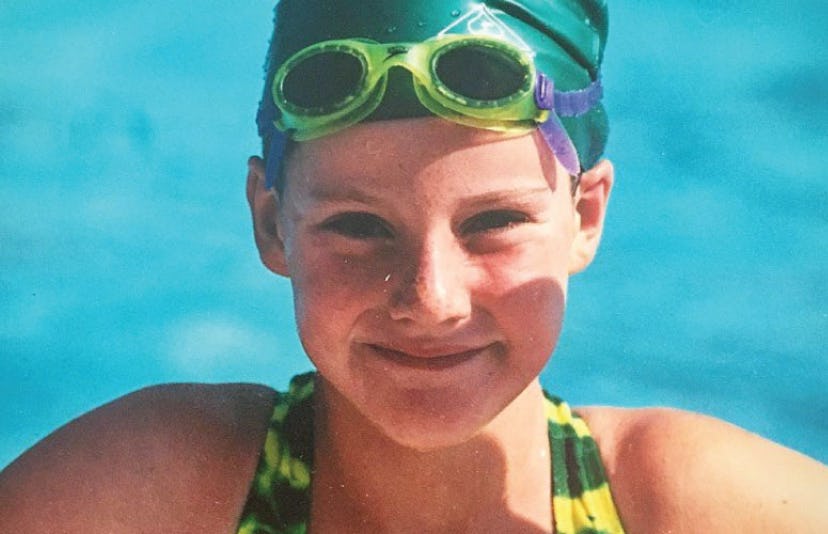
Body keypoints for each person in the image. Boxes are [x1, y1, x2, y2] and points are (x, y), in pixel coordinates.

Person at [1, 1, 826, 532]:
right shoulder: (156, 491)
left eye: (495, 222)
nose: (430, 299)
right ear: (270, 223)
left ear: (585, 217)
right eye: (358, 227)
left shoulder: (688, 507)